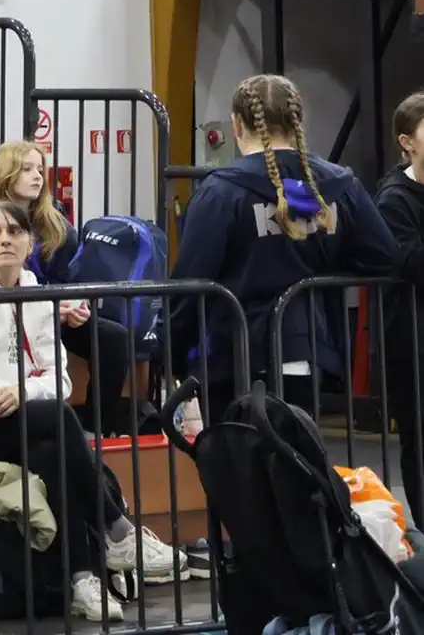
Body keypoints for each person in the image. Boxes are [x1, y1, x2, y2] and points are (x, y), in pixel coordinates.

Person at [0, 199, 183, 621]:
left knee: (51, 455)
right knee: (60, 419)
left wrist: (22, 391)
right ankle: (115, 526)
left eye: (15, 232)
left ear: (29, 243)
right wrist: (12, 393)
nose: (5, 239)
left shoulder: (37, 292)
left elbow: (58, 380)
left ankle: (81, 581)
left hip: (20, 412)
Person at [170, 74, 398, 421]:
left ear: (236, 124)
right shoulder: (338, 185)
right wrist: (327, 264)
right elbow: (384, 257)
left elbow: (191, 281)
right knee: (296, 464)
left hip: (237, 355)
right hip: (310, 348)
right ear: (297, 122)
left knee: (241, 467)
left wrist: (169, 355)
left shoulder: (221, 190)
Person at [0, 140, 132, 434]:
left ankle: (96, 429)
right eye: (27, 169)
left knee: (113, 337)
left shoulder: (54, 218)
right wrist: (52, 306)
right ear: (6, 172)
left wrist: (76, 305)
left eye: (40, 169)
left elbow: (71, 278)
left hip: (54, 312)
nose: (37, 176)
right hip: (7, 315)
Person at [375, 90, 424, 520]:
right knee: (421, 438)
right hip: (413, 337)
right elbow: (411, 261)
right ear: (407, 141)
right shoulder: (395, 199)